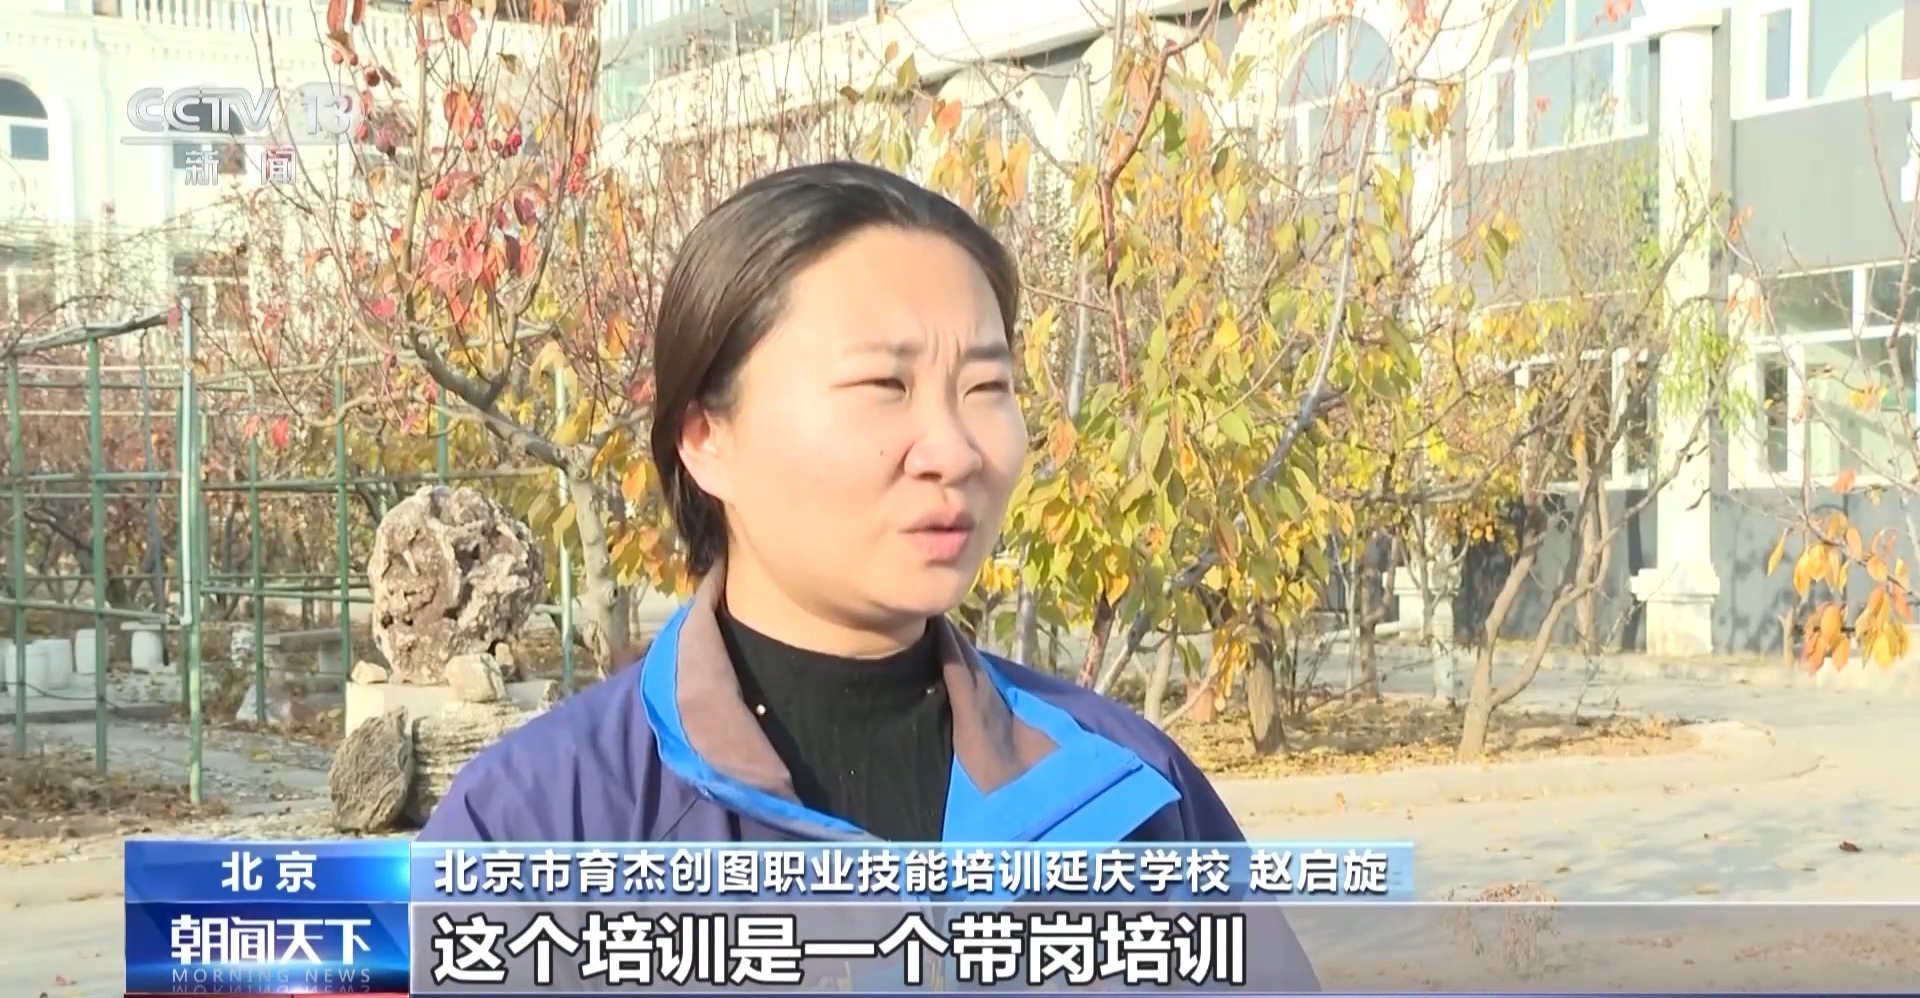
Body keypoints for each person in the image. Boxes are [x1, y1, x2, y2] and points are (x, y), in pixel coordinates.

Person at [418, 157, 1290, 855]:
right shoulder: (538, 825)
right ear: (707, 437)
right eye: (883, 385)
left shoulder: (1129, 795)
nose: (954, 450)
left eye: (986, 387)